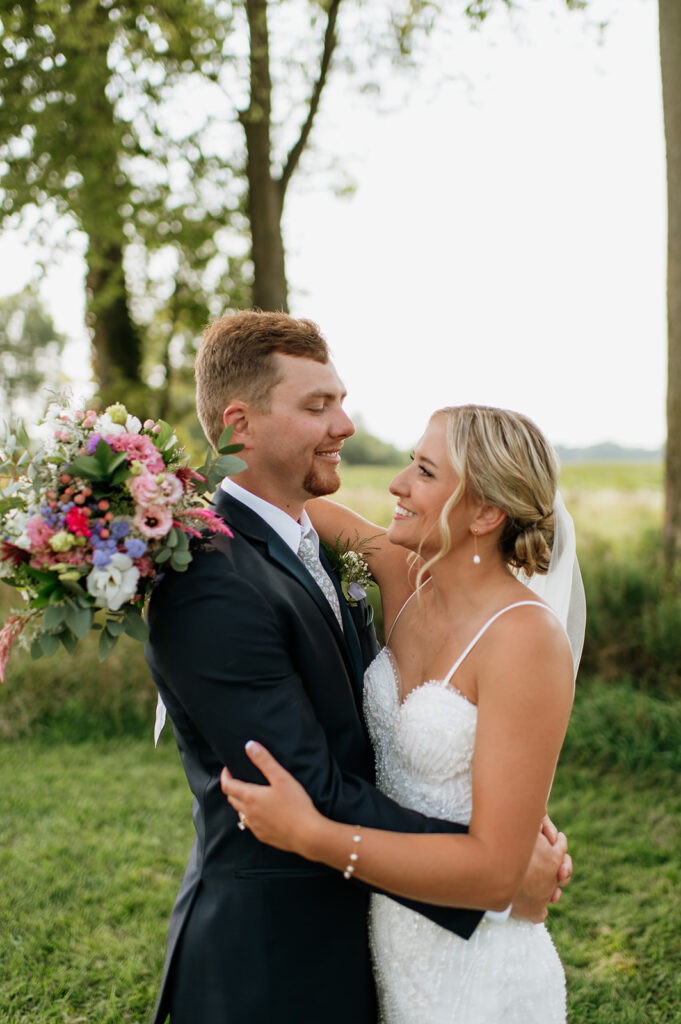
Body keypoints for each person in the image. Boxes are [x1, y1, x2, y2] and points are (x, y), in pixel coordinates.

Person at [145, 312, 571, 1024]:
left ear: (486, 511)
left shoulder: (346, 549)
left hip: (429, 953)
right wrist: (497, 877)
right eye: (318, 406)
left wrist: (503, 824)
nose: (346, 425)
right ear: (241, 424)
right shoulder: (220, 579)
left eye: (424, 469)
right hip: (280, 954)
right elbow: (307, 785)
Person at [221, 403, 584, 1023]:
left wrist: (313, 835)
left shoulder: (525, 639)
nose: (397, 484)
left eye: (423, 471)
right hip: (389, 938)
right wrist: (135, 487)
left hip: (480, 967)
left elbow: (499, 877)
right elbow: (260, 496)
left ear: (487, 512)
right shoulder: (402, 576)